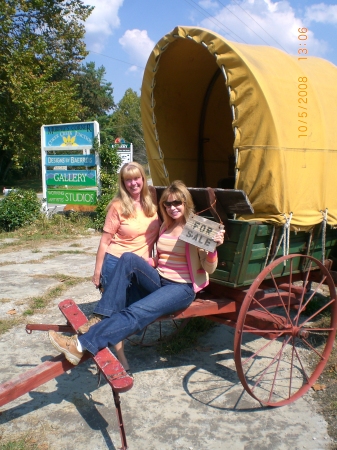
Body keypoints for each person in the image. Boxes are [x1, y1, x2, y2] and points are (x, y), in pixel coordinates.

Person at [48, 181, 225, 368]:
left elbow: (209, 268)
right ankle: (102, 316)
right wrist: (145, 263)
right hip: (159, 280)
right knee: (128, 258)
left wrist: (213, 249)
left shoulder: (195, 229)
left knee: (135, 312)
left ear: (185, 203)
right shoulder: (166, 225)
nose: (172, 207)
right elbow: (160, 259)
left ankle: (80, 344)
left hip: (181, 288)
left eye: (177, 203)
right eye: (168, 204)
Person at [86, 161, 160, 373]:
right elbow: (105, 241)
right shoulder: (117, 206)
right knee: (116, 311)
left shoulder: (153, 205)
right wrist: (97, 271)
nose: (133, 183)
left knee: (136, 311)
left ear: (143, 179)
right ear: (123, 183)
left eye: (136, 178)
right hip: (115, 263)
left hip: (140, 268)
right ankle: (119, 357)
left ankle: (104, 337)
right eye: (128, 180)